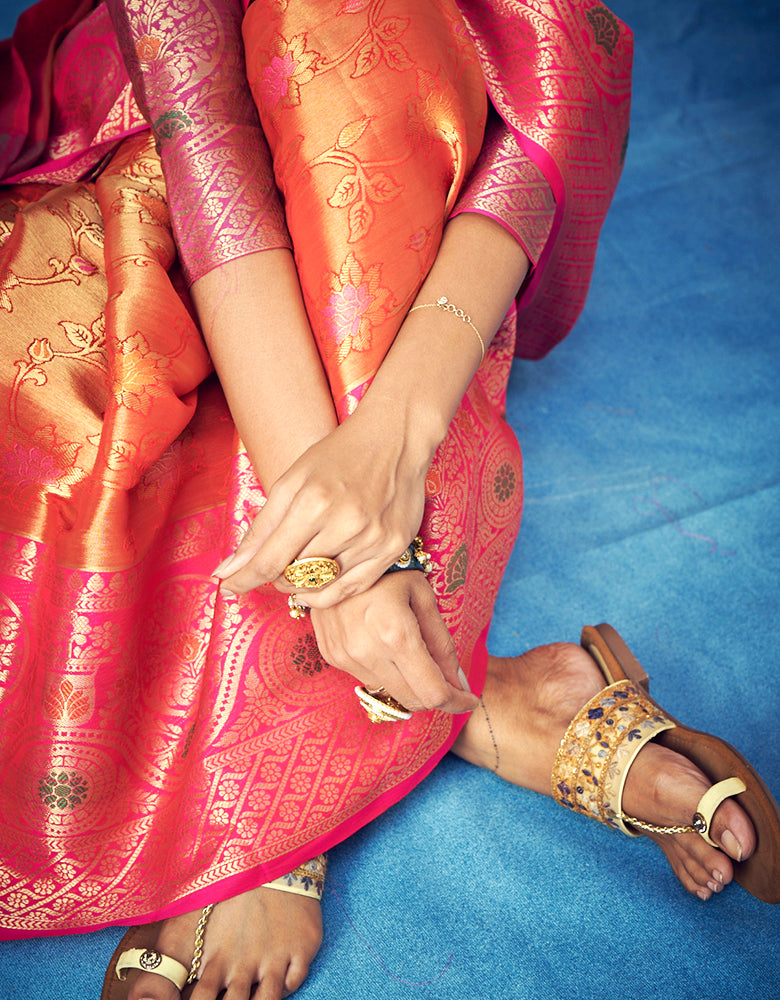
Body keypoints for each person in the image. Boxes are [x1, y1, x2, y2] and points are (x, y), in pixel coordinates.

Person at [0, 1, 778, 999]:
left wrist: (393, 444)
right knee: (62, 458)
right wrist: (345, 569)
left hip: (409, 190)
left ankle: (287, 734)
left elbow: (554, 84)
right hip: (140, 147)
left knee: (344, 30)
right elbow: (205, 147)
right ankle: (482, 704)